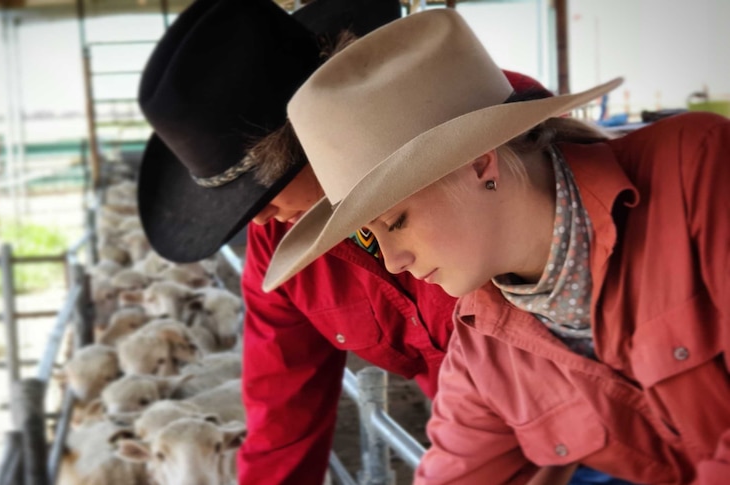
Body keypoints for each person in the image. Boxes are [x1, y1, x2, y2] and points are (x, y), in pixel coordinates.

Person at [264, 8, 730, 485]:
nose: (392, 260)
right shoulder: (483, 344)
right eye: (371, 235)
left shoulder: (701, 174)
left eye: (396, 221)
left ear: (480, 164)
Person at [134, 1, 566, 484]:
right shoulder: (281, 246)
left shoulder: (475, 136)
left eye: (262, 188)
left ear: (311, 133)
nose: (255, 219)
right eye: (235, 201)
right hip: (476, 436)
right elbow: (282, 410)